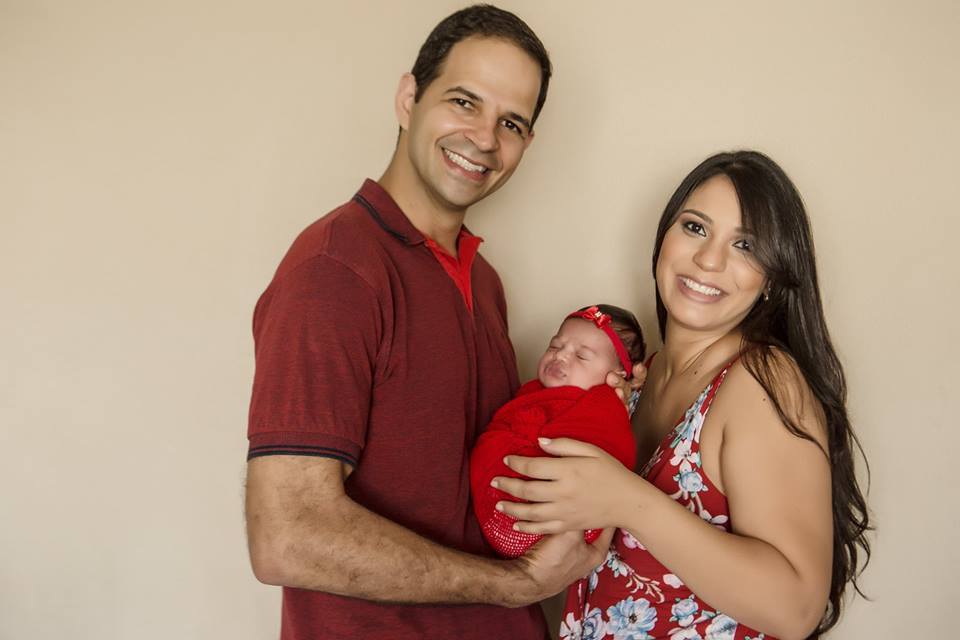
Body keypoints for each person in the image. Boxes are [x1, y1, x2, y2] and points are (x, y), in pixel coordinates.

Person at [244, 5, 629, 640]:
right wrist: (516, 585)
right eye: (463, 101)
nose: (485, 138)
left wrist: (603, 406)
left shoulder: (485, 281)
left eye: (511, 122)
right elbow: (287, 534)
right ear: (408, 98)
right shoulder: (336, 268)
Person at [493, 151, 872, 639]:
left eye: (745, 245)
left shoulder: (762, 381)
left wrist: (625, 499)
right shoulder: (636, 382)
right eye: (695, 228)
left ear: (772, 279)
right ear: (662, 241)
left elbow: (795, 607)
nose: (709, 260)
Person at [470, 304, 646, 558]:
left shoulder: (603, 407)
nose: (560, 356)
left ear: (616, 376)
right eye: (555, 346)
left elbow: (614, 458)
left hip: (546, 522)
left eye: (581, 356)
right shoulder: (534, 390)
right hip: (501, 506)